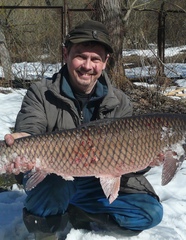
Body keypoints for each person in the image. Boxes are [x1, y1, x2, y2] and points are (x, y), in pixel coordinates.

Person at [4, 20, 163, 240]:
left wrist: (148, 157)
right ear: (66, 54)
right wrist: (23, 140)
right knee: (54, 189)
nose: (87, 66)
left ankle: (79, 213)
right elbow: (30, 129)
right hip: (54, 178)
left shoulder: (120, 102)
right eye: (81, 56)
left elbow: (127, 158)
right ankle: (46, 231)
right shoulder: (41, 93)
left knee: (149, 213)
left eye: (95, 59)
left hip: (94, 183)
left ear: (105, 62)